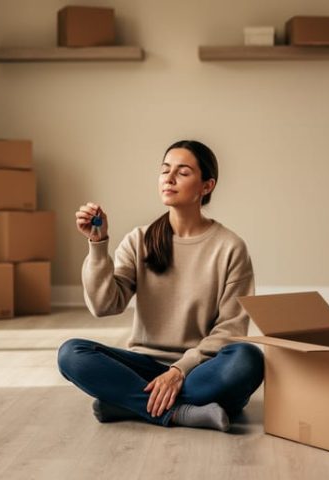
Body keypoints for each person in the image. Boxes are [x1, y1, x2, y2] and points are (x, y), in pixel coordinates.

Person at [57, 140, 264, 432]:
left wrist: (180, 369)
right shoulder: (139, 240)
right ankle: (182, 412)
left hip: (199, 369)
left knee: (248, 359)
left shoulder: (230, 247)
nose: (169, 178)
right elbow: (104, 306)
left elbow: (231, 330)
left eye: (183, 172)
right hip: (145, 366)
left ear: (206, 186)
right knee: (71, 353)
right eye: (165, 170)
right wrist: (97, 243)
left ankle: (127, 402)